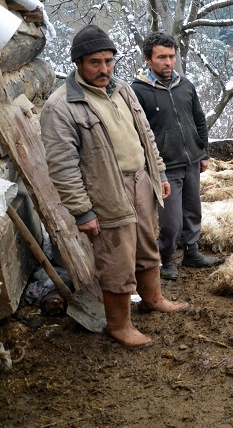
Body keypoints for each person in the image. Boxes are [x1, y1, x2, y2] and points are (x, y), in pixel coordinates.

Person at [40, 24, 188, 349]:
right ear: (78, 63)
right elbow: (62, 167)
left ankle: (153, 298)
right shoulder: (61, 106)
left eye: (109, 61)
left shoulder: (122, 89)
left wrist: (159, 174)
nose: (104, 69)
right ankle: (119, 325)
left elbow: (145, 134)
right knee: (116, 257)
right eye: (96, 62)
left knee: (148, 242)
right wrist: (82, 211)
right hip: (106, 190)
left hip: (141, 179)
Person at [131, 32, 220, 280]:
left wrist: (203, 152)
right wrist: (151, 168)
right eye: (161, 57)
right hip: (165, 166)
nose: (168, 62)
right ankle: (167, 258)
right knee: (170, 221)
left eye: (171, 56)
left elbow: (199, 120)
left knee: (193, 211)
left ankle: (192, 252)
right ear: (148, 59)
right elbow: (138, 133)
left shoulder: (185, 86)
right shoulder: (138, 91)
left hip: (191, 161)